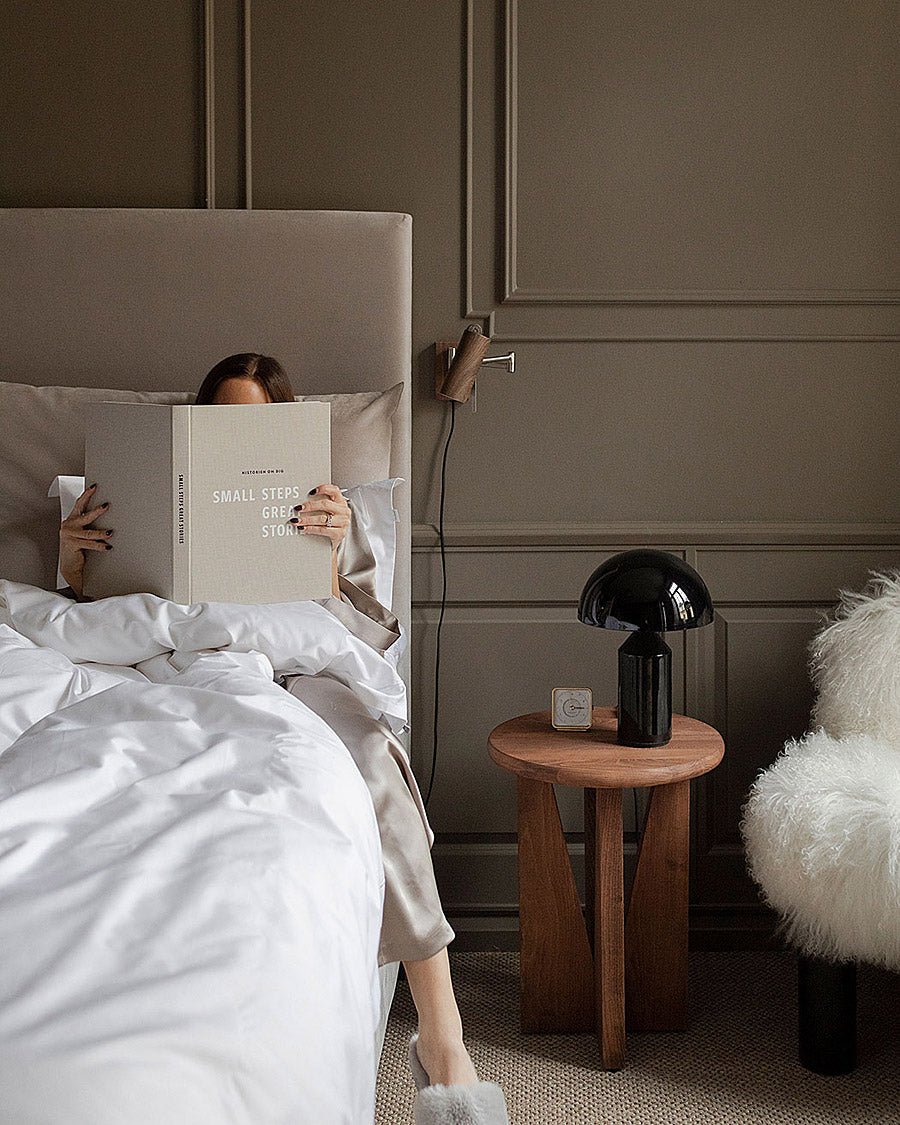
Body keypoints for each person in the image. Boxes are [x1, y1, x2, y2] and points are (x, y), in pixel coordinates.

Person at [59, 354, 509, 1119]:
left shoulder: (331, 510)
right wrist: (72, 557)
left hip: (297, 661)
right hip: (171, 658)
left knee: (369, 758)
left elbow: (369, 632)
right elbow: (84, 608)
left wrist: (333, 557)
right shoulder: (129, 496)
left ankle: (445, 1038)